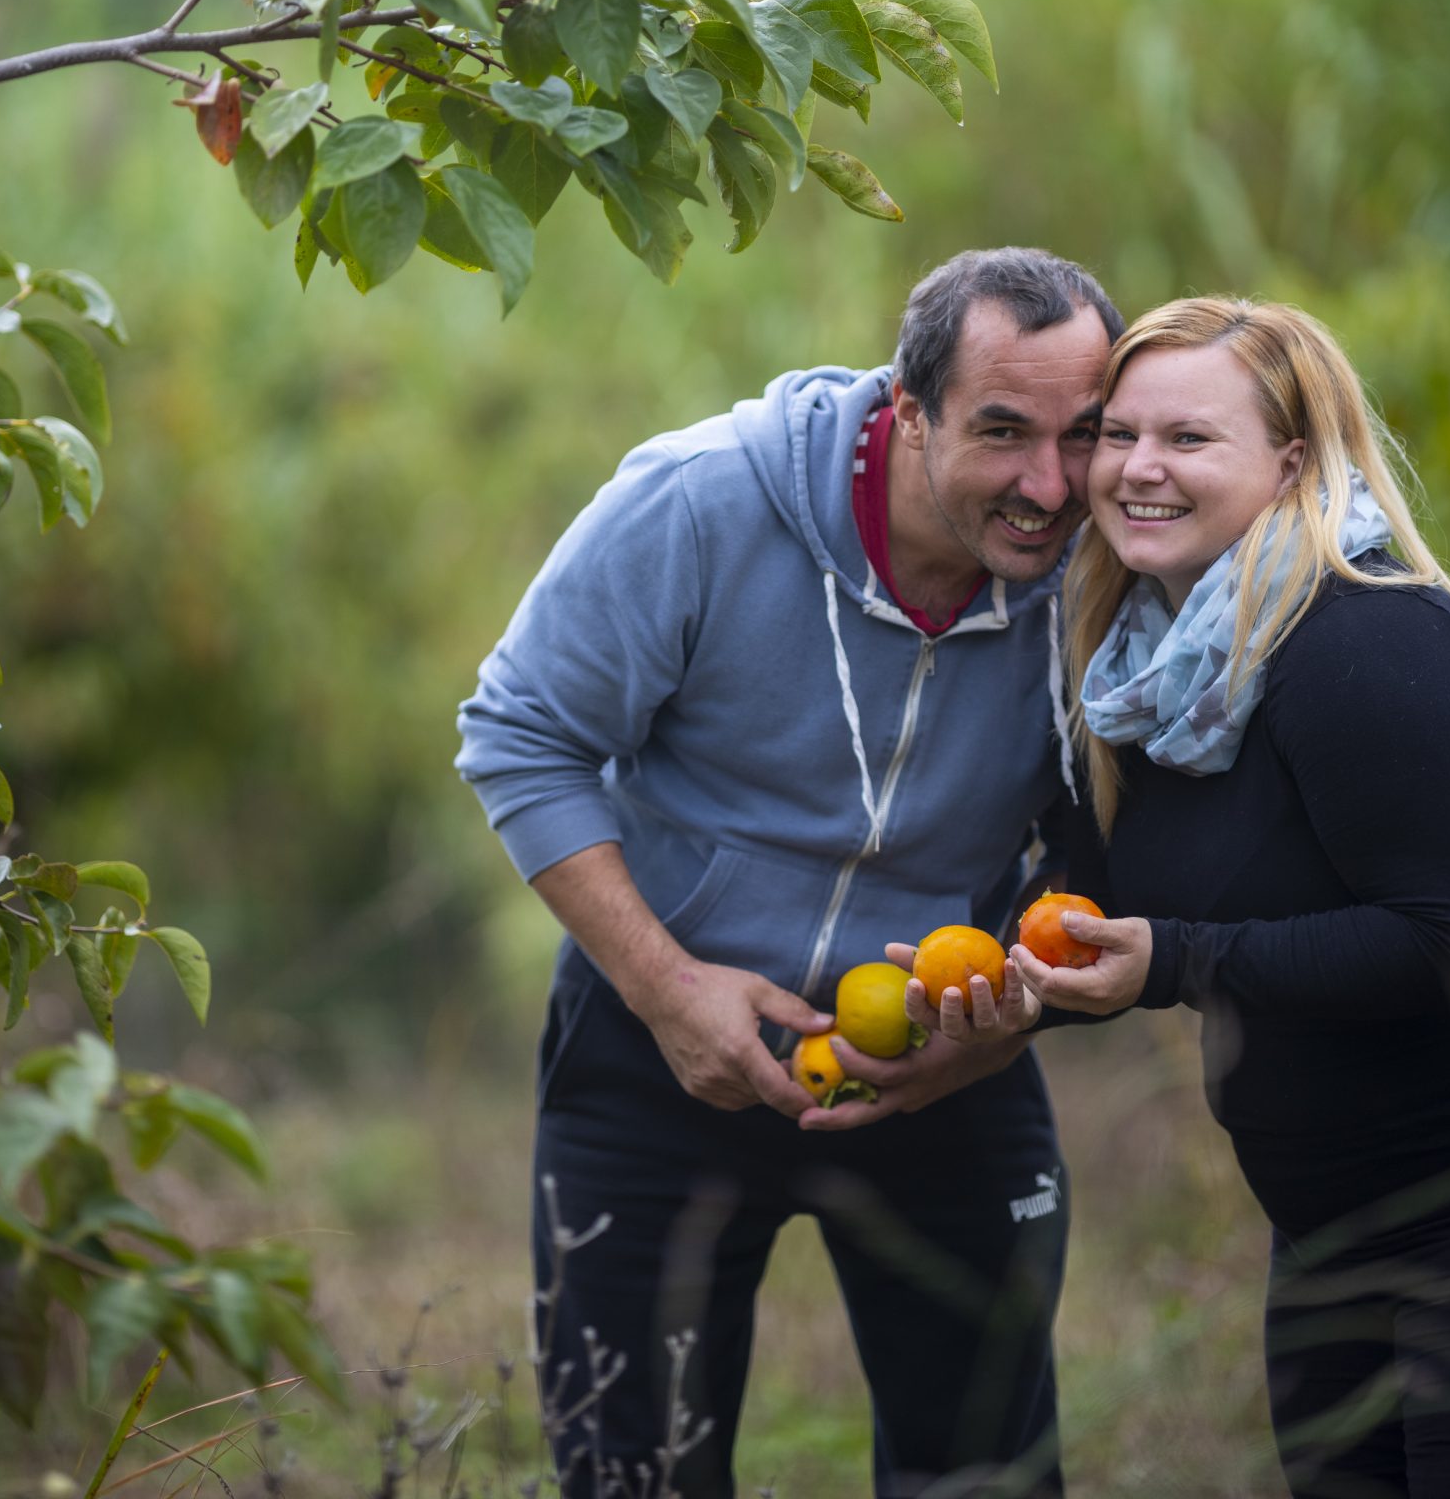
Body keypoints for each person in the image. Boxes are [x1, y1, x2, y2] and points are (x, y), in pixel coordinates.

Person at [1001, 296, 1450, 1499]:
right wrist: (970, 992)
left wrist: (1171, 962)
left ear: (1291, 459)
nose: (1138, 469)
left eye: (1187, 439)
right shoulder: (1135, 671)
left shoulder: (1364, 643)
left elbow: (1445, 949)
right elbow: (1094, 917)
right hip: (1331, 1233)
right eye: (1117, 435)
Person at [455, 248, 1121, 1497]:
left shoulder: (1109, 565)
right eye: (1000, 432)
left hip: (948, 1054)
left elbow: (1101, 843)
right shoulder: (700, 504)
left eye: (1080, 435)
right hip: (655, 1054)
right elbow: (519, 736)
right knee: (634, 1473)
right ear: (907, 410)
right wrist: (664, 988)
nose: (1049, 485)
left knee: (986, 1474)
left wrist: (1004, 1020)